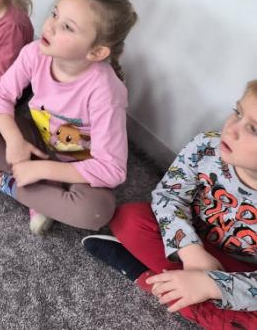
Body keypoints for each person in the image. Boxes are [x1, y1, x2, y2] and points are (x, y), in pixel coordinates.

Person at [0, 0, 138, 235]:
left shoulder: (106, 91)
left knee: (95, 211)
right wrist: (14, 141)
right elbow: (1, 94)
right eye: (55, 14)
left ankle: (4, 181)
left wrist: (43, 169)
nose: (50, 26)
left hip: (77, 167)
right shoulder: (34, 53)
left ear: (96, 52)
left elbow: (111, 169)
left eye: (67, 27)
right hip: (37, 142)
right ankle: (39, 194)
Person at [82, 80, 257, 329]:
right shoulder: (206, 147)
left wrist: (213, 285)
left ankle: (143, 274)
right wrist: (190, 250)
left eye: (253, 129)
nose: (231, 129)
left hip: (241, 274)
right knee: (128, 219)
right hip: (184, 244)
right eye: (237, 112)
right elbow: (169, 196)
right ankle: (190, 294)